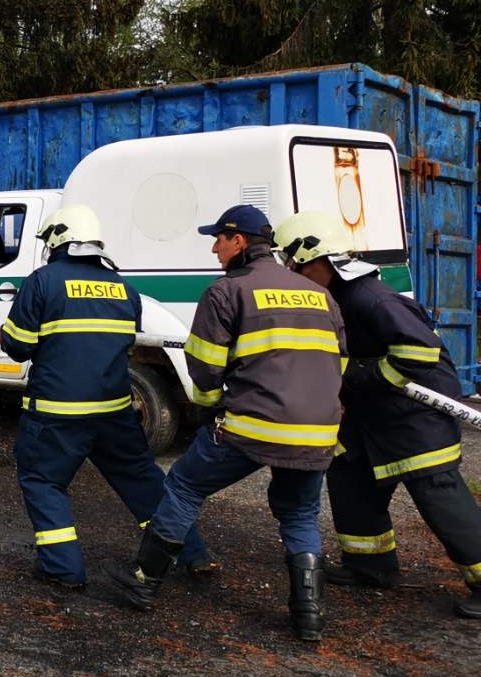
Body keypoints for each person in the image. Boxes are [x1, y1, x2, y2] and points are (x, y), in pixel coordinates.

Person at [108, 204, 345, 641]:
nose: (215, 248)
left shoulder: (226, 291)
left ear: (239, 241)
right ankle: (308, 615)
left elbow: (204, 367)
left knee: (184, 485)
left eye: (219, 238)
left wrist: (215, 407)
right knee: (300, 513)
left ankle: (144, 581)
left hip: (253, 425)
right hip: (318, 431)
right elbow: (339, 363)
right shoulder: (319, 295)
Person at [274, 210, 481, 620]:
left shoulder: (371, 297)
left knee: (438, 496)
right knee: (350, 478)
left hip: (414, 417)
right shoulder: (337, 296)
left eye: (295, 264)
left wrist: (368, 375)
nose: (292, 272)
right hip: (374, 417)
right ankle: (370, 565)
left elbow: (419, 352)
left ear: (317, 260)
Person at [0, 204, 212, 591]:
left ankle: (63, 569)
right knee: (142, 480)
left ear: (60, 238)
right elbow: (121, 345)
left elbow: (18, 346)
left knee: (44, 482)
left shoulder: (43, 281)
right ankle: (192, 552)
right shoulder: (123, 289)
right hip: (115, 412)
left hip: (56, 415)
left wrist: (3, 334)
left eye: (49, 241)